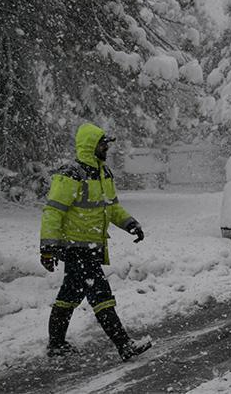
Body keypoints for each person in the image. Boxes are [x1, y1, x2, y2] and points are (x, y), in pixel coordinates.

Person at [39, 123, 151, 360]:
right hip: (75, 247)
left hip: (93, 246)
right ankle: (124, 344)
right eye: (103, 144)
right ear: (91, 145)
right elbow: (53, 211)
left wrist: (130, 223)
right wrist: (48, 248)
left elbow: (112, 207)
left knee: (69, 295)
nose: (106, 148)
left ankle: (56, 344)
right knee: (101, 295)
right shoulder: (70, 174)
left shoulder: (104, 173)